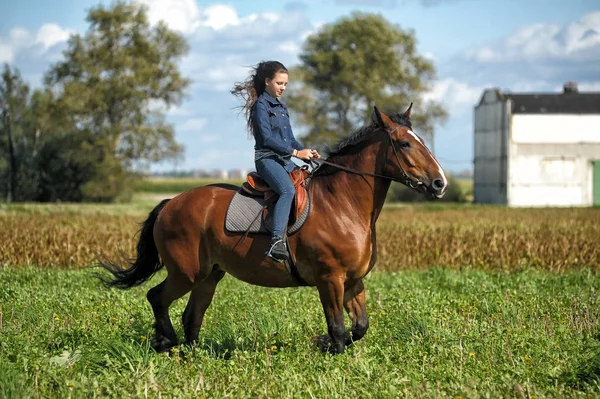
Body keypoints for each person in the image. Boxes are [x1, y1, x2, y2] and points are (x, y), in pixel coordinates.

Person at [232, 61, 320, 262]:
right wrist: (297, 153)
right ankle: (275, 243)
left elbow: (289, 139)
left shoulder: (281, 106)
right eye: (279, 83)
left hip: (284, 159)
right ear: (267, 81)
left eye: (286, 84)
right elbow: (266, 139)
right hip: (267, 160)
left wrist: (307, 151)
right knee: (288, 190)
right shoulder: (260, 106)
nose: (283, 88)